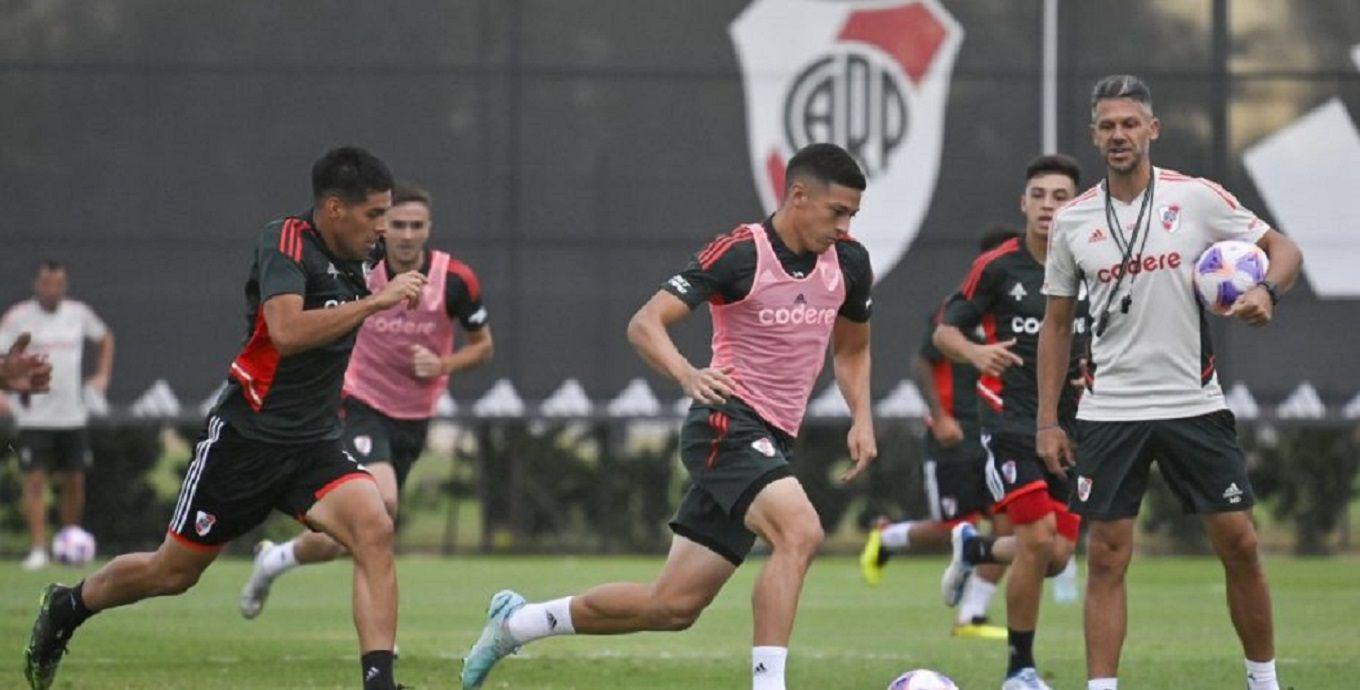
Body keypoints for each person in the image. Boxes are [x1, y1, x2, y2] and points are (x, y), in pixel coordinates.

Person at [458, 143, 877, 690]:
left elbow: (851, 350)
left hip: (772, 441)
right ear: (798, 195)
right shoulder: (741, 252)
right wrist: (688, 375)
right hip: (726, 424)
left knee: (672, 607)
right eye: (837, 212)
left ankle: (519, 623)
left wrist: (861, 417)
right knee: (800, 533)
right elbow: (645, 322)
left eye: (852, 216)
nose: (844, 226)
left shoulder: (848, 261)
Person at [23, 147, 427, 690]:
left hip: (313, 443)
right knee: (172, 572)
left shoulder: (366, 252)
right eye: (375, 215)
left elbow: (407, 264)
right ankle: (69, 606)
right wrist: (376, 304)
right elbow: (285, 334)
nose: (383, 228)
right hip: (246, 441)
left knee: (375, 527)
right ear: (334, 209)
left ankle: (380, 683)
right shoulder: (283, 242)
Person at [1036, 75, 1302, 690]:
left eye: (1130, 123)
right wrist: (1049, 420)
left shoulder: (1198, 198)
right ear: (1094, 135)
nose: (1118, 135)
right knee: (1105, 554)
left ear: (1152, 130)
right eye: (1107, 125)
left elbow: (1283, 249)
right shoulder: (1073, 221)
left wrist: (1266, 290)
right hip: (1109, 409)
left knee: (1239, 542)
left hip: (1193, 402)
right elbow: (1055, 325)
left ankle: (1264, 681)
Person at [239, 183, 493, 619]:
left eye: (417, 225)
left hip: (414, 416)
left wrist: (442, 364)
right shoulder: (359, 269)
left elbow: (483, 347)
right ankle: (378, 649)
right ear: (383, 226)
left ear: (429, 229)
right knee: (383, 505)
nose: (407, 235)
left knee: (351, 532)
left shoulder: (455, 279)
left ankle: (275, 561)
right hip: (359, 403)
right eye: (398, 224)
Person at [933, 154, 1090, 690]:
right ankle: (1020, 670)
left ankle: (975, 548)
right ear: (1023, 204)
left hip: (1075, 430)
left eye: (1061, 196)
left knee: (1057, 554)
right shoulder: (999, 266)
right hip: (1009, 423)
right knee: (1039, 536)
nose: (1049, 206)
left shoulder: (1093, 263)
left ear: (1078, 205)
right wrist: (975, 354)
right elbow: (945, 333)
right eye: (1040, 195)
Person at [860, 227, 1019, 641]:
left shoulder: (1015, 310)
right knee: (956, 525)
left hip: (996, 431)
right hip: (954, 434)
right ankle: (888, 537)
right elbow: (921, 363)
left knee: (1009, 531)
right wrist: (940, 415)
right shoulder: (957, 308)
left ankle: (971, 617)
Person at [0, 261, 115, 571]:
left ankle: (68, 540)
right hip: (33, 416)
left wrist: (101, 376)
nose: (52, 290)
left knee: (75, 480)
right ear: (37, 285)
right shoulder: (18, 318)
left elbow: (105, 338)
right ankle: (38, 549)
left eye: (58, 284)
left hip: (72, 415)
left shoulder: (79, 313)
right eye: (47, 284)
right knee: (35, 480)